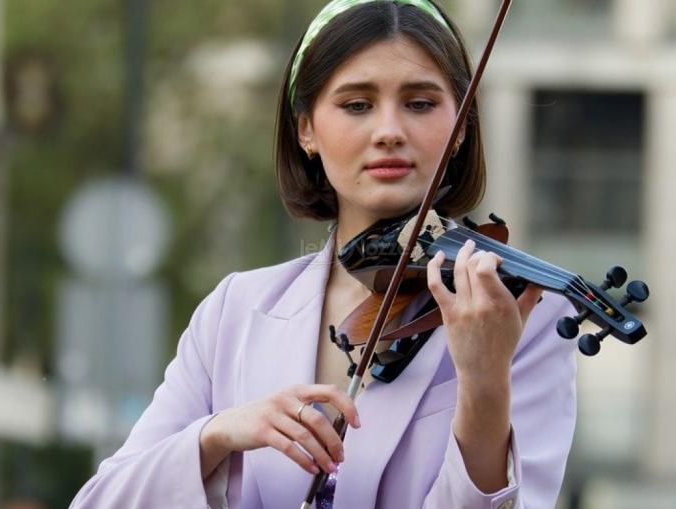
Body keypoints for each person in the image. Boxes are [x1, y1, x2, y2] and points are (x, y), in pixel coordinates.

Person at [71, 1, 578, 508]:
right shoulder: (236, 310)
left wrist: (485, 384)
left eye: (420, 103)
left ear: (462, 126)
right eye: (357, 105)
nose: (389, 131)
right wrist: (218, 434)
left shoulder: (527, 314)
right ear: (306, 129)